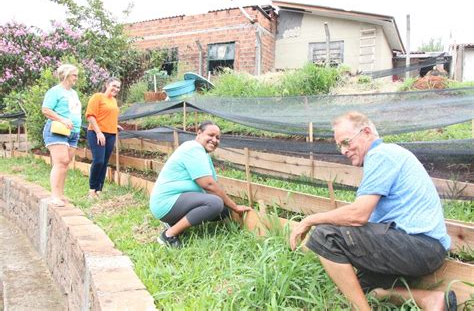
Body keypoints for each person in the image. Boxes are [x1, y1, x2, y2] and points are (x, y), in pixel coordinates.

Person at [289, 111, 455, 311]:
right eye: (339, 145)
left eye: (346, 142)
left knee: (325, 236)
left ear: (366, 132)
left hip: (420, 246)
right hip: (419, 248)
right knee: (354, 289)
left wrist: (310, 219)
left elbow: (358, 215)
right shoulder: (384, 157)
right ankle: (431, 300)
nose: (343, 150)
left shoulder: (381, 155)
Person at [150, 121, 252, 248]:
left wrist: (230, 206)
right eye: (211, 135)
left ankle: (174, 222)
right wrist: (235, 206)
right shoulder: (193, 148)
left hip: (176, 201)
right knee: (215, 203)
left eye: (218, 138)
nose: (214, 140)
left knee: (224, 210)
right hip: (166, 203)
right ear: (199, 133)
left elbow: (213, 185)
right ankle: (168, 235)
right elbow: (208, 185)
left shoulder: (203, 154)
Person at [41, 64, 81, 206]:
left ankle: (61, 194)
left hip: (73, 132)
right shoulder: (55, 91)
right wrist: (62, 119)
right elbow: (46, 110)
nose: (76, 78)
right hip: (57, 131)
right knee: (61, 161)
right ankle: (55, 196)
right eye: (74, 75)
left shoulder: (73, 93)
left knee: (65, 163)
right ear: (66, 75)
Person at [85, 77, 122, 198]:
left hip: (111, 134)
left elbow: (107, 115)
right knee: (98, 160)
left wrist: (114, 125)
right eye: (114, 86)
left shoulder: (114, 101)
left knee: (105, 162)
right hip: (96, 133)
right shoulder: (98, 97)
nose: (116, 89)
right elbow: (90, 116)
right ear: (107, 84)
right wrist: (99, 132)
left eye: (118, 87)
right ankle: (92, 189)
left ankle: (99, 190)